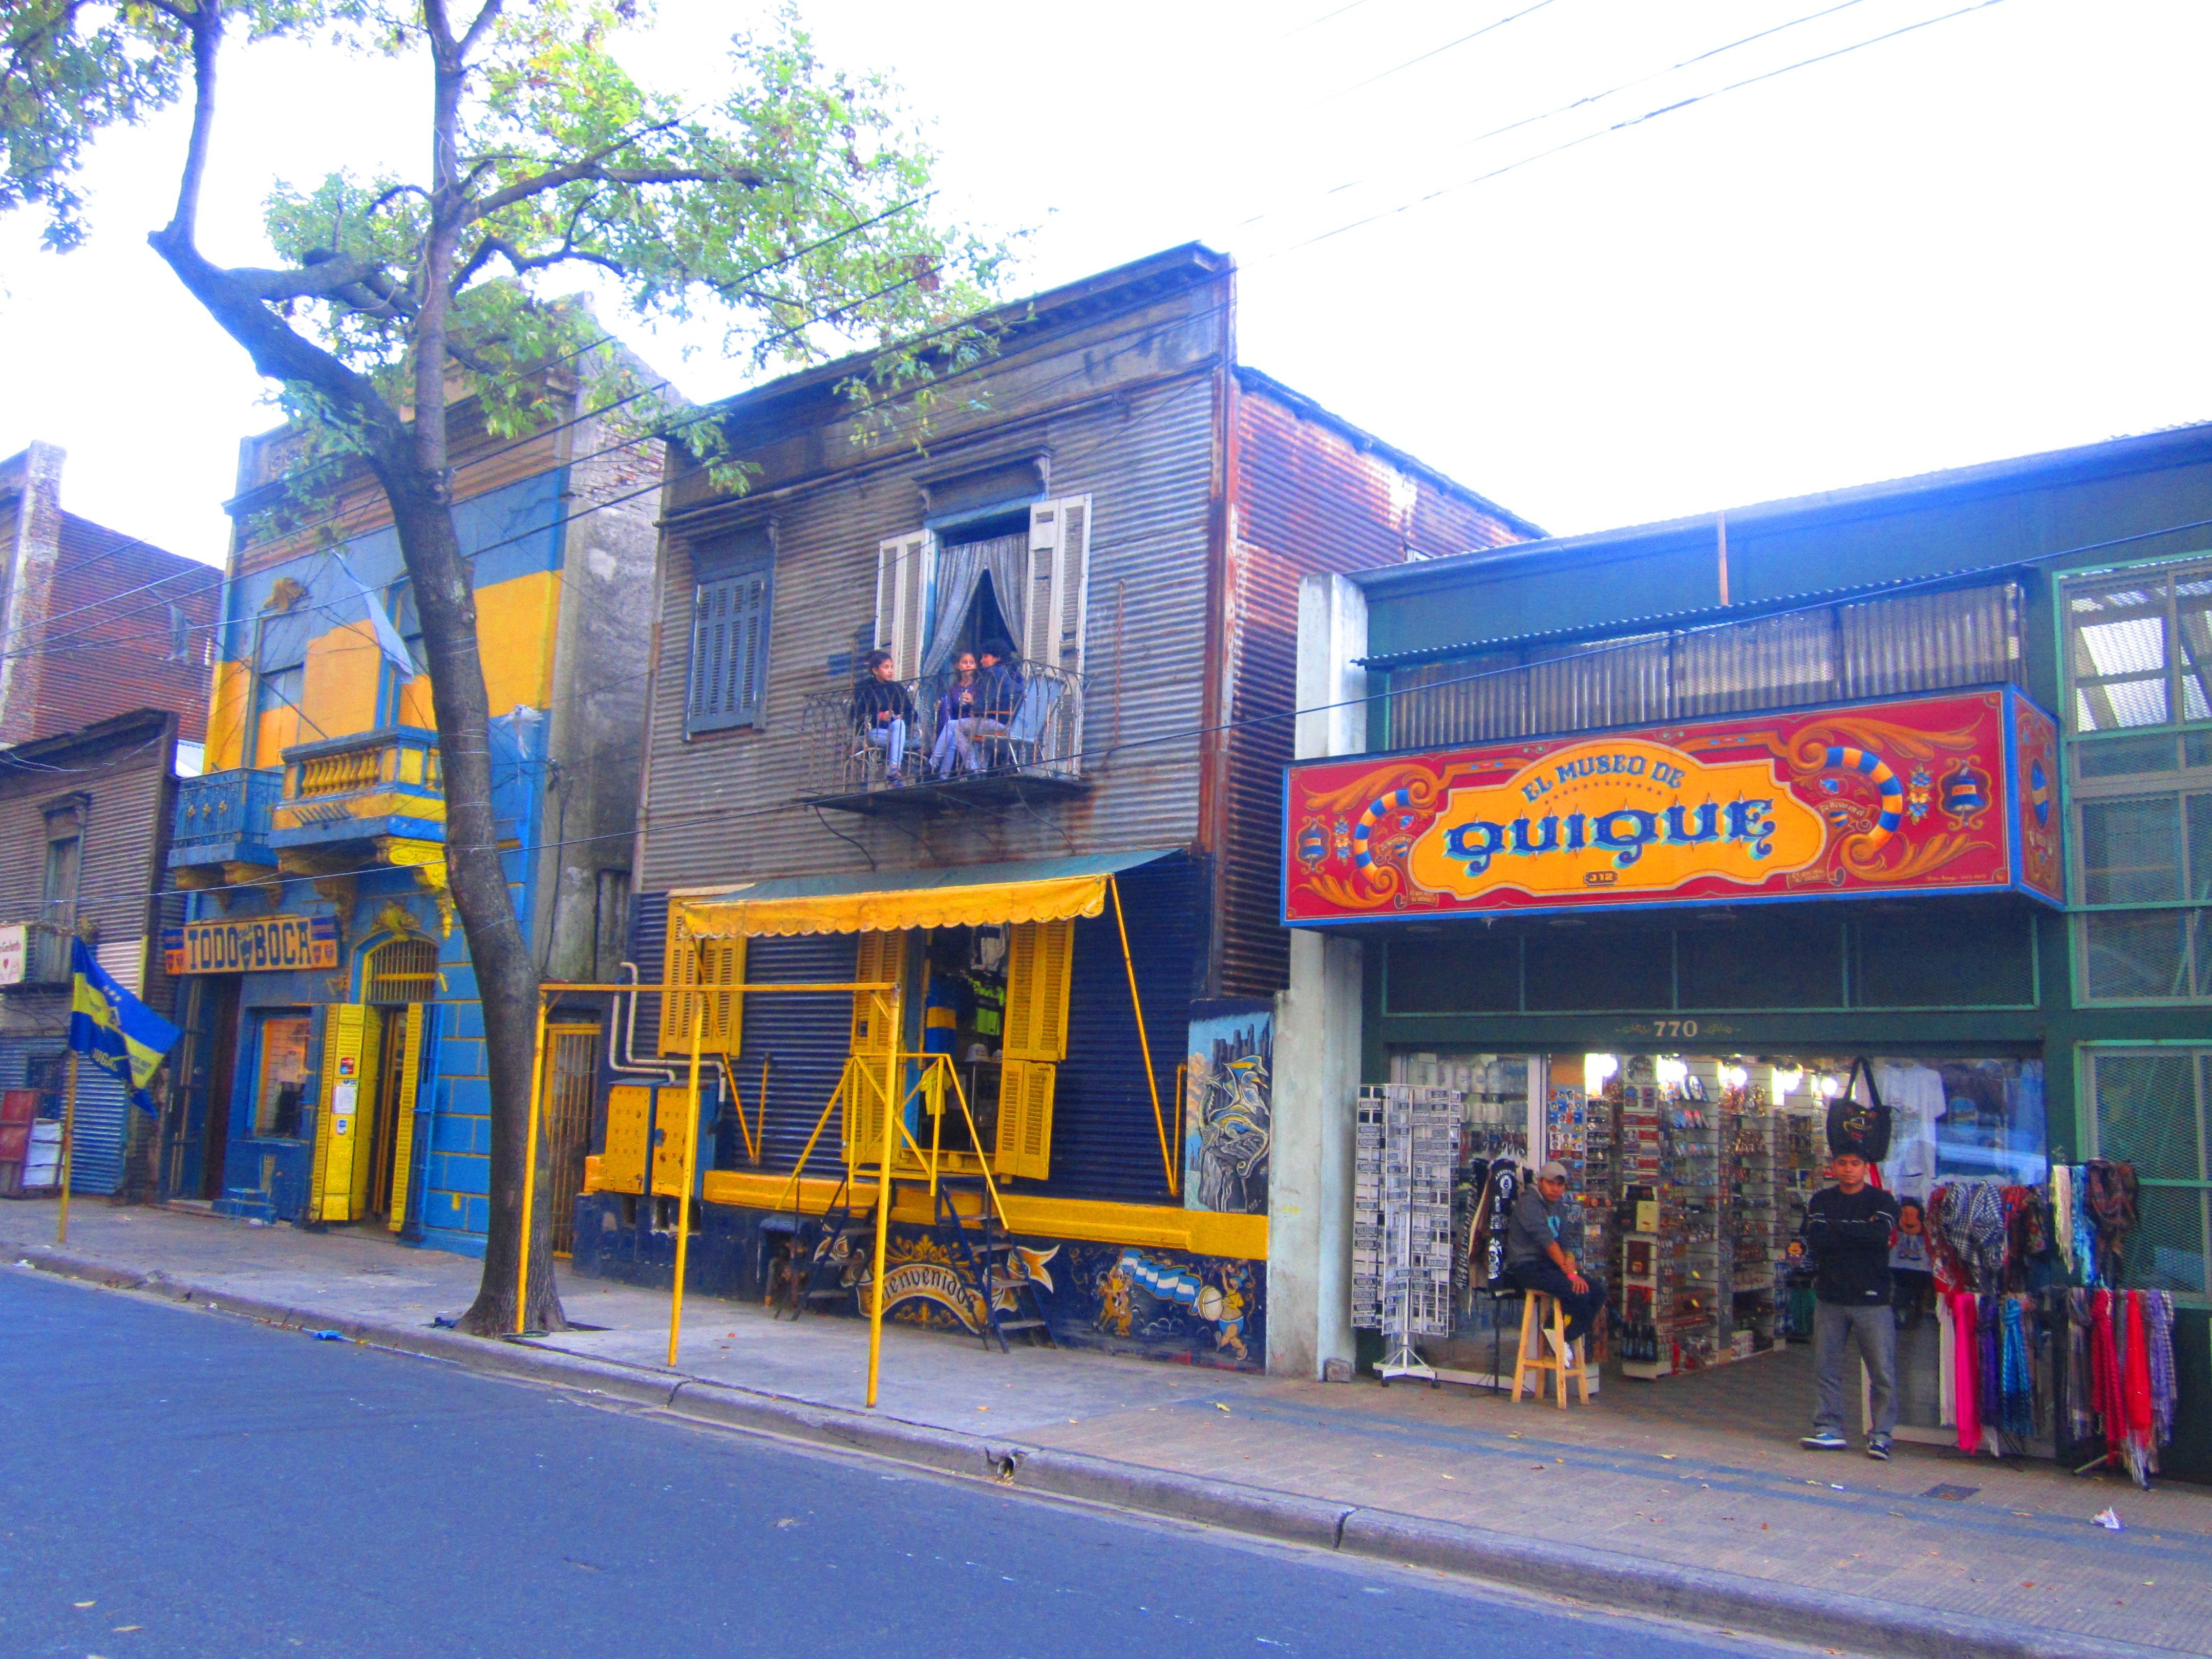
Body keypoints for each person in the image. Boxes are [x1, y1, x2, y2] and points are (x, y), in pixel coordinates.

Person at [1800, 1150, 1902, 1459]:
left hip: (1872, 1299)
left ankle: (1881, 1433)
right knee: (1826, 1367)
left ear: (1865, 1167)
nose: (1848, 1170)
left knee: (1881, 1371)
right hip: (1831, 1297)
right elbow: (1817, 1238)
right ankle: (1829, 1428)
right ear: (1834, 1166)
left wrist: (1838, 1228)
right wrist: (1858, 1229)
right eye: (1843, 1163)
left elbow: (1878, 1235)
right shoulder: (1821, 1200)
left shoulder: (1883, 1201)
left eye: (1855, 1164)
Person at [1505, 1159, 1607, 1362]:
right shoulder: (1529, 1203)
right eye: (1551, 1184)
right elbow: (1546, 1240)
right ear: (1540, 1182)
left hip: (1551, 1265)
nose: (1555, 1189)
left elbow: (1565, 1241)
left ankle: (1560, 1333)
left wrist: (1570, 1261)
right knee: (1575, 1292)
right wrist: (1570, 1275)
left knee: (1597, 1291)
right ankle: (1555, 1332)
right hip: (1527, 1266)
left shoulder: (1559, 1207)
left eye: (1560, 1185)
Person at [850, 648, 914, 783]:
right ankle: (895, 775)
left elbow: (912, 713)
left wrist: (901, 717)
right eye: (886, 667)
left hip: (897, 731)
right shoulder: (864, 688)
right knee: (901, 740)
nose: (890, 671)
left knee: (899, 724)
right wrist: (879, 716)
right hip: (876, 733)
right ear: (875, 670)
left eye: (891, 667)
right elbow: (857, 714)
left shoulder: (897, 688)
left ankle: (894, 768)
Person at [927, 650, 984, 778]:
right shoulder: (954, 688)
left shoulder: (979, 686)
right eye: (965, 663)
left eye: (972, 663)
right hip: (956, 726)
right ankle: (943, 776)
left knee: (953, 732)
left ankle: (933, 765)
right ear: (958, 666)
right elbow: (950, 708)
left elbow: (983, 704)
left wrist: (973, 701)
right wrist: (941, 705)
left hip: (972, 723)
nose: (968, 666)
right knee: (952, 741)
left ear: (976, 666)